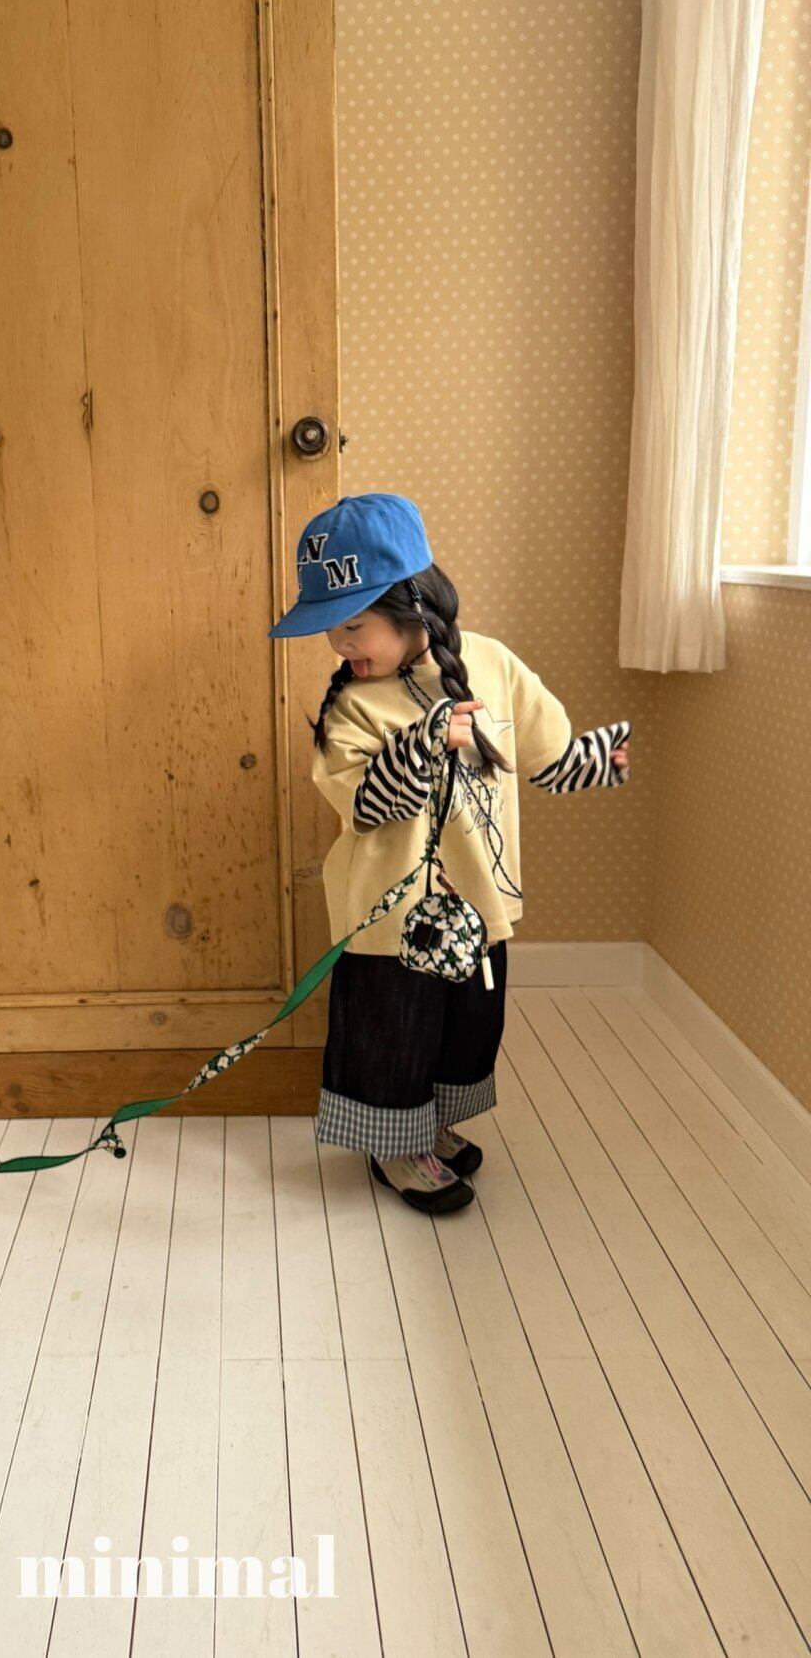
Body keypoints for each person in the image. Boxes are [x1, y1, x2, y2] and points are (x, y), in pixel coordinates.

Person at [269, 493, 632, 1214]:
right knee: (394, 1034)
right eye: (329, 630)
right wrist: (426, 739)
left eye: (351, 625)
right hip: (389, 919)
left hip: (477, 904)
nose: (338, 645)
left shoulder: (493, 664)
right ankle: (395, 1148)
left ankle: (427, 1130)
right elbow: (366, 805)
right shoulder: (352, 707)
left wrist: (609, 758)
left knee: (463, 1028)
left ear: (411, 604)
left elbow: (546, 755)